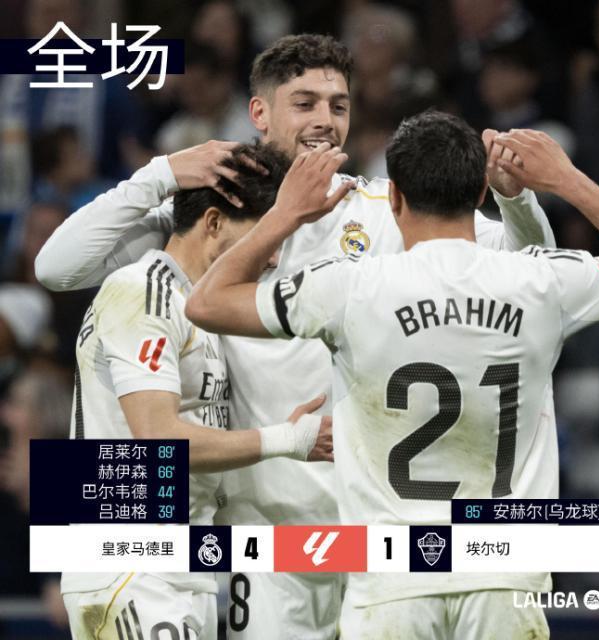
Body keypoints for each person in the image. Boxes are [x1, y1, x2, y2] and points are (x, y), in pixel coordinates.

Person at [35, 34, 556, 640]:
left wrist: (517, 203)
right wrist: (161, 173)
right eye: (304, 103)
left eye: (339, 105)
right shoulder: (222, 208)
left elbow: (530, 270)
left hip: (375, 532)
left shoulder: (382, 210)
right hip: (265, 539)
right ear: (259, 113)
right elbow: (56, 267)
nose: (325, 120)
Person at [185, 116, 599, 640]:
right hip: (503, 572)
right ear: (479, 193)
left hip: (391, 579)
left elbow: (206, 303)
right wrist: (565, 179)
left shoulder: (351, 287)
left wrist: (284, 214)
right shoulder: (543, 280)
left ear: (394, 197)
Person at [60, 143, 332, 640]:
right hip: (129, 561)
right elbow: (157, 437)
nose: (274, 256)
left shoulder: (202, 311)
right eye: (265, 235)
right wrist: (287, 439)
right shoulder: (142, 290)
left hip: (187, 566)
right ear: (212, 222)